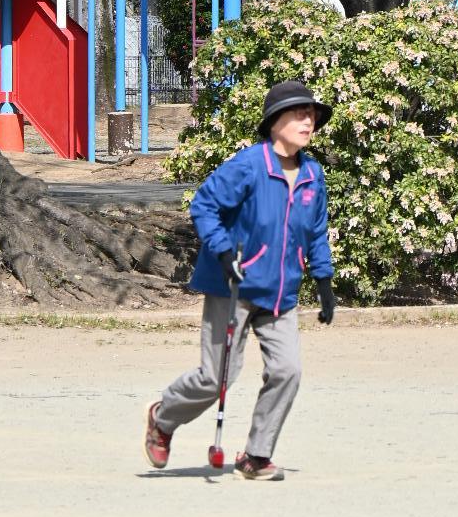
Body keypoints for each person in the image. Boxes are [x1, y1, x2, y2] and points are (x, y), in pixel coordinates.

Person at [144, 79, 336, 479]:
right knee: (217, 378)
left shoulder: (312, 175)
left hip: (280, 290)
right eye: (299, 113)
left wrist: (323, 279)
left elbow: (315, 231)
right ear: (274, 122)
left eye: (312, 115)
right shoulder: (249, 166)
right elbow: (204, 206)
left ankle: (256, 455)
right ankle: (164, 416)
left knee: (288, 371)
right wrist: (224, 251)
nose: (308, 121)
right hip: (233, 285)